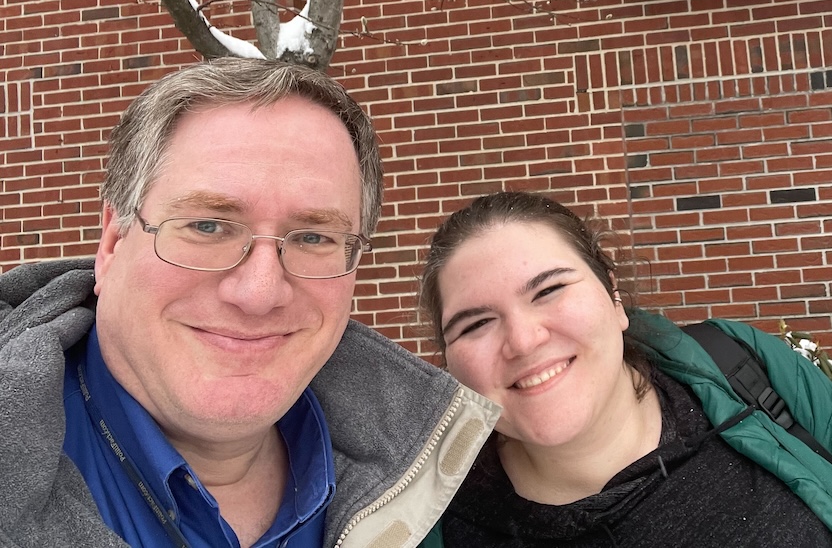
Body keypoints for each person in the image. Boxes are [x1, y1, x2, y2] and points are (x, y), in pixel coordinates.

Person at [0, 58, 498, 548]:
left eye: (312, 237)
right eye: (207, 226)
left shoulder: (440, 491)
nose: (259, 294)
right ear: (112, 242)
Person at [417, 191, 832, 548]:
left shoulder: (740, 367)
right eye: (474, 324)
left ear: (614, 298)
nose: (523, 339)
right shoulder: (425, 521)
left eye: (549, 290)